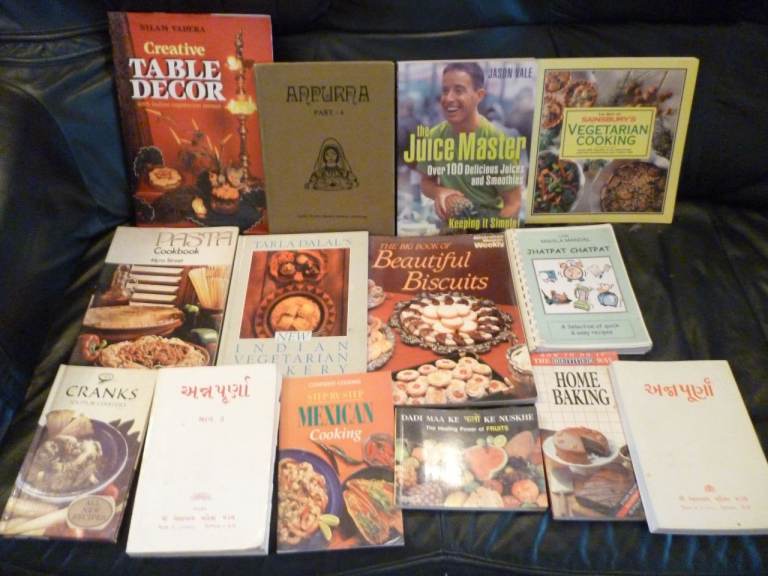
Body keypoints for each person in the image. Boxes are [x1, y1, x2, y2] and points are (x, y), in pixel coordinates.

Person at [418, 62, 523, 225]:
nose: (448, 98)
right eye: (445, 91)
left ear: (479, 95)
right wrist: (440, 191)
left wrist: (492, 233)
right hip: (451, 228)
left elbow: (513, 203)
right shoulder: (434, 136)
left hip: (490, 224)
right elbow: (426, 182)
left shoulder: (496, 141)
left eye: (459, 90)